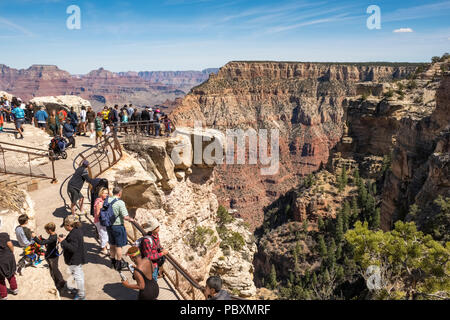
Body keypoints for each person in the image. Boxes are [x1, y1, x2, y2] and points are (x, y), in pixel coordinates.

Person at [106, 186, 135, 270]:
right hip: (118, 226)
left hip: (109, 225)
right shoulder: (120, 202)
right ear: (120, 193)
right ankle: (118, 265)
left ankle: (112, 262)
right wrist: (131, 219)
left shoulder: (108, 200)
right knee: (119, 246)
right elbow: (125, 216)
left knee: (112, 244)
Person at [58, 215, 86, 300]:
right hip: (79, 257)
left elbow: (73, 248)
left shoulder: (73, 234)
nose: (64, 228)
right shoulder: (78, 230)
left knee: (78, 277)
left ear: (69, 225)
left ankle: (81, 295)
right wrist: (66, 240)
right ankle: (74, 288)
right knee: (79, 274)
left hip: (74, 260)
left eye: (65, 226)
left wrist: (63, 242)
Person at [33, 222, 66, 292]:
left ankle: (61, 282)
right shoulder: (53, 235)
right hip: (52, 255)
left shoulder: (53, 238)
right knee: (52, 268)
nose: (46, 231)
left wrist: (34, 237)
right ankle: (56, 280)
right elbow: (48, 241)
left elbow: (41, 243)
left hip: (53, 256)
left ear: (50, 230)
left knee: (55, 269)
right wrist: (43, 239)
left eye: (46, 230)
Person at [0, 218, 18, 300]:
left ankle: (4, 296)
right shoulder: (4, 235)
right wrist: (11, 253)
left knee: (0, 279)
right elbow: (10, 245)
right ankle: (14, 289)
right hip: (8, 258)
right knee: (11, 274)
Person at [93, 188, 110, 255]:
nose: (106, 194)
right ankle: (104, 249)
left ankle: (106, 245)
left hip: (103, 221)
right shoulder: (99, 202)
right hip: (100, 221)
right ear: (101, 193)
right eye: (105, 193)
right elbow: (97, 214)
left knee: (105, 234)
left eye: (107, 193)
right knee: (103, 235)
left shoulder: (103, 200)